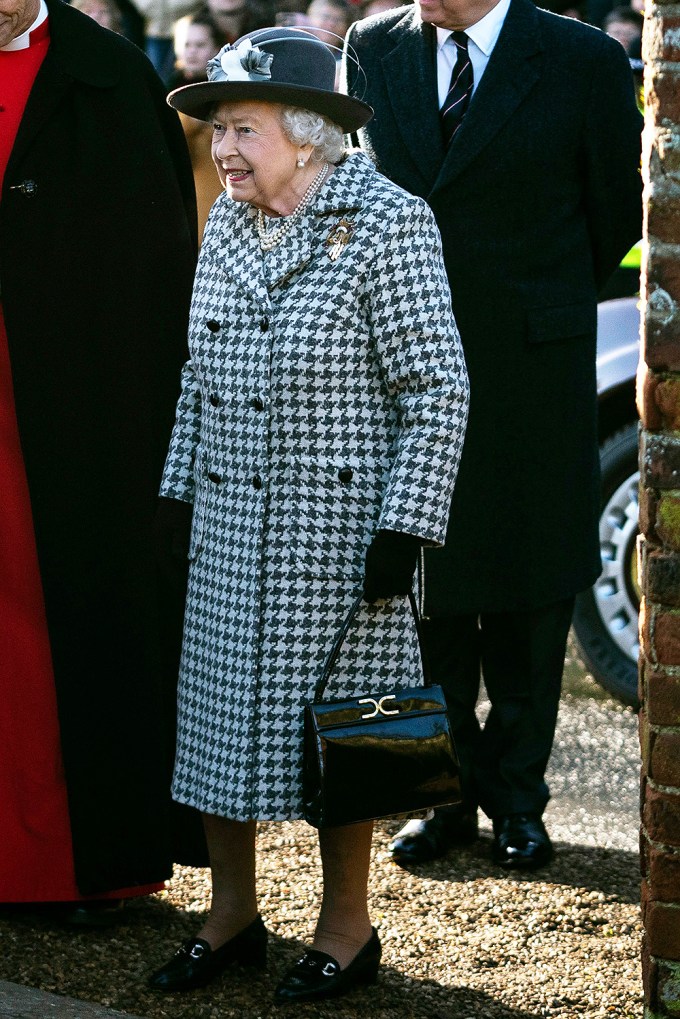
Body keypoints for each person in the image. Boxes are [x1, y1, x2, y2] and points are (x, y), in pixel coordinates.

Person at [148, 26, 469, 1003]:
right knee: (213, 726)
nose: (223, 150)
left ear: (307, 130)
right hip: (228, 528)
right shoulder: (226, 222)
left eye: (239, 128)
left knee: (347, 740)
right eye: (214, 132)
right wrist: (174, 497)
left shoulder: (387, 218)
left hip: (341, 542)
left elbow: (438, 385)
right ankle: (231, 912)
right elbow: (196, 374)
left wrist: (405, 524)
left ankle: (345, 926)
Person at [343, 0, 642, 870]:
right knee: (407, 593)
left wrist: (530, 297)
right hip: (397, 366)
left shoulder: (582, 58)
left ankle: (517, 799)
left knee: (527, 594)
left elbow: (613, 213)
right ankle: (435, 800)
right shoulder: (372, 45)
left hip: (530, 367)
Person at [0, 0, 205, 921]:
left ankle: (87, 868)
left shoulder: (112, 81)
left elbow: (153, 279)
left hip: (78, 423)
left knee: (68, 625)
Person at [169, 13, 224, 240]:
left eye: (200, 45)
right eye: (186, 44)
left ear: (217, 48)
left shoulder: (227, 92)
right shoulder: (166, 90)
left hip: (214, 199)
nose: (191, 51)